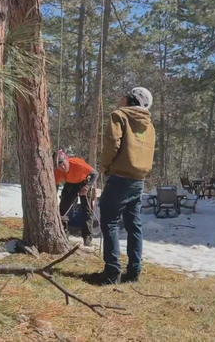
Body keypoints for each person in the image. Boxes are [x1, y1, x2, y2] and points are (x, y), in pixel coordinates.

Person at [98, 87, 156, 284]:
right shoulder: (149, 124)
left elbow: (112, 143)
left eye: (124, 94)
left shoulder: (118, 116)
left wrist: (105, 166)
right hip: (138, 179)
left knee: (110, 222)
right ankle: (134, 271)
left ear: (131, 98)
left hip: (120, 177)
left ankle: (112, 273)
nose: (120, 97)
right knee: (134, 225)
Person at [53, 150, 98, 246]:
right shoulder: (58, 172)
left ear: (67, 159)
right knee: (64, 209)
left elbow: (95, 173)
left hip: (85, 181)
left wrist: (87, 187)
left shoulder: (77, 164)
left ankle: (87, 238)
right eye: (58, 166)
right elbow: (55, 185)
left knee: (87, 210)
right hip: (70, 184)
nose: (62, 167)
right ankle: (63, 234)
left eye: (62, 163)